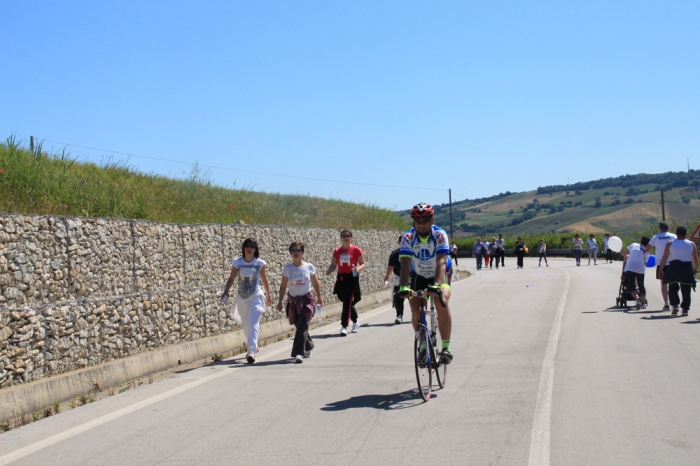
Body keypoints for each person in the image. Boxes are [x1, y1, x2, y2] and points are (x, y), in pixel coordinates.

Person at [397, 202, 454, 364]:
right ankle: (423, 345)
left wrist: (436, 284)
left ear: (431, 221)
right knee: (415, 307)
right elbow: (405, 264)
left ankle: (445, 347)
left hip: (440, 272)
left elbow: (442, 261)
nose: (421, 225)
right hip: (419, 274)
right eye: (418, 221)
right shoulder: (408, 238)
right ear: (413, 222)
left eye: (425, 221)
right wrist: (403, 287)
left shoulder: (440, 235)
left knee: (441, 301)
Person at [222, 238, 272, 364]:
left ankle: (251, 351)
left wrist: (269, 295)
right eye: (247, 246)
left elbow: (264, 280)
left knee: (253, 321)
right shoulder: (237, 262)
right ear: (244, 248)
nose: (249, 248)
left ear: (255, 250)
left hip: (256, 295)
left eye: (252, 246)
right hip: (242, 297)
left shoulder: (259, 263)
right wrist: (226, 291)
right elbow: (232, 277)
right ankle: (253, 344)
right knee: (246, 324)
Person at [277, 241, 323, 363]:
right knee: (299, 326)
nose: (295, 253)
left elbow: (315, 283)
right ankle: (309, 345)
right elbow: (283, 286)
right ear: (290, 254)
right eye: (293, 250)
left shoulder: (309, 267)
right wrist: (280, 301)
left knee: (302, 326)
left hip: (307, 300)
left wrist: (319, 298)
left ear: (302, 252)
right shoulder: (287, 268)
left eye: (298, 250)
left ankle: (299, 353)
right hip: (293, 302)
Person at [326, 229, 366, 336]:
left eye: (348, 235)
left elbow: (363, 263)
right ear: (341, 238)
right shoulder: (337, 251)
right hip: (341, 278)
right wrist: (330, 270)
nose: (346, 237)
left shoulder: (356, 250)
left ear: (351, 237)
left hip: (352, 277)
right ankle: (356, 321)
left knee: (348, 300)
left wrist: (358, 269)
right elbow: (333, 265)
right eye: (344, 235)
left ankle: (344, 326)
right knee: (343, 299)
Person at [657, 226, 698, 316]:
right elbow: (695, 258)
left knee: (673, 287)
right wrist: (694, 268)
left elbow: (664, 257)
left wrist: (660, 270)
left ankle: (675, 306)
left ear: (676, 234)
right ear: (686, 234)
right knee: (686, 288)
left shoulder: (670, 243)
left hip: (674, 267)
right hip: (686, 267)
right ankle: (685, 309)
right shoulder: (691, 244)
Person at [646, 221, 678, 311]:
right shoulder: (673, 236)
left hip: (661, 263)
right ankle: (675, 304)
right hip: (672, 262)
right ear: (668, 228)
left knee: (663, 284)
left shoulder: (656, 237)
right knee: (673, 283)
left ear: (660, 228)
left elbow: (648, 249)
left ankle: (666, 303)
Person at [622, 237, 650, 310]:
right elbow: (645, 262)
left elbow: (624, 253)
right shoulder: (647, 251)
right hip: (640, 269)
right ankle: (644, 303)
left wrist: (627, 258)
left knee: (632, 287)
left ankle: (637, 299)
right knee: (641, 285)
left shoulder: (633, 244)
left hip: (630, 268)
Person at [384, 237, 406, 324]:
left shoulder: (414, 252)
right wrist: (387, 276)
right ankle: (399, 315)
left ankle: (417, 315)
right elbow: (390, 267)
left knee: (414, 297)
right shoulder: (395, 254)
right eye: (402, 241)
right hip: (399, 278)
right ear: (398, 243)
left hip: (412, 278)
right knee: (398, 297)